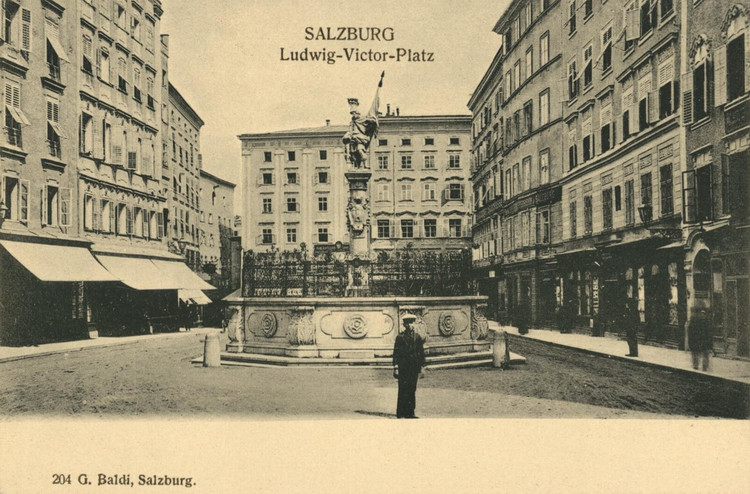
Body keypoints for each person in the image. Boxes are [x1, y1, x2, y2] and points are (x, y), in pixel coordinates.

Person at [392, 314, 426, 419]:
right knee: (402, 389)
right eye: (409, 323)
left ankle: (411, 412)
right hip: (403, 367)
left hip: (414, 367)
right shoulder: (400, 337)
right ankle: (401, 412)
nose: (411, 325)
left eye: (412, 322)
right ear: (405, 324)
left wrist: (422, 367)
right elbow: (396, 353)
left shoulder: (417, 337)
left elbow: (421, 353)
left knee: (412, 389)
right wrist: (396, 367)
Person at [688, 306, 713, 371]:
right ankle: (705, 366)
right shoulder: (706, 318)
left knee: (695, 353)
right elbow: (709, 330)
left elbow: (690, 330)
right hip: (704, 338)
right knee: (705, 353)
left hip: (695, 339)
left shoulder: (692, 318)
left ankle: (695, 365)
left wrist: (690, 340)